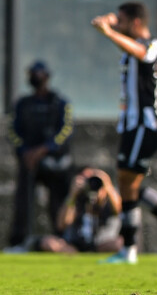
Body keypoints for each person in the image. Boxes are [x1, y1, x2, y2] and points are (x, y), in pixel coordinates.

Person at [91, 2, 157, 264]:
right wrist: (112, 21)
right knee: (128, 182)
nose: (118, 26)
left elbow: (141, 52)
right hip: (132, 125)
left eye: (123, 21)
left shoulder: (150, 44)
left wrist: (110, 31)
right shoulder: (130, 46)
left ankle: (130, 247)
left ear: (136, 23)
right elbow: (128, 46)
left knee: (126, 179)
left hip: (146, 125)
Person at [5, 61, 73, 252]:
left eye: (39, 73)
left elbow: (65, 131)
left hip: (57, 163)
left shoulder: (60, 103)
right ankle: (19, 242)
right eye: (33, 74)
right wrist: (25, 152)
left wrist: (44, 149)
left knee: (59, 203)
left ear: (47, 76)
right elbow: (13, 132)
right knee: (23, 202)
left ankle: (64, 240)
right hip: (29, 163)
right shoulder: (22, 104)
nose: (36, 77)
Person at [36, 168, 122, 254]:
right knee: (48, 243)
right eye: (85, 178)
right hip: (74, 244)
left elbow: (118, 210)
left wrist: (107, 185)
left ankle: (90, 252)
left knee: (119, 243)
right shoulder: (76, 198)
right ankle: (75, 253)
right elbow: (62, 224)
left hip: (100, 243)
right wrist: (72, 194)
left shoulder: (106, 197)